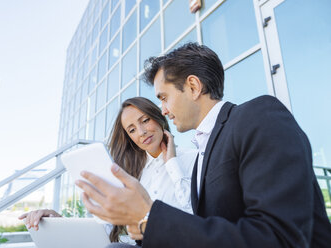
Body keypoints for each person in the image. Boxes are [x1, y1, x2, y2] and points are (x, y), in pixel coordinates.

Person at [76, 42, 331, 248]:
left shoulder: (258, 115)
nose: (163, 110)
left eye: (164, 98)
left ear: (193, 86)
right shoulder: (203, 154)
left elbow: (279, 238)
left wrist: (148, 219)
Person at [19, 97, 196, 243]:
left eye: (145, 120)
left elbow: (195, 216)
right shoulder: (133, 174)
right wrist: (57, 221)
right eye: (132, 130)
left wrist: (172, 163)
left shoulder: (192, 158)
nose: (141, 132)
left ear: (158, 118)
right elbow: (105, 225)